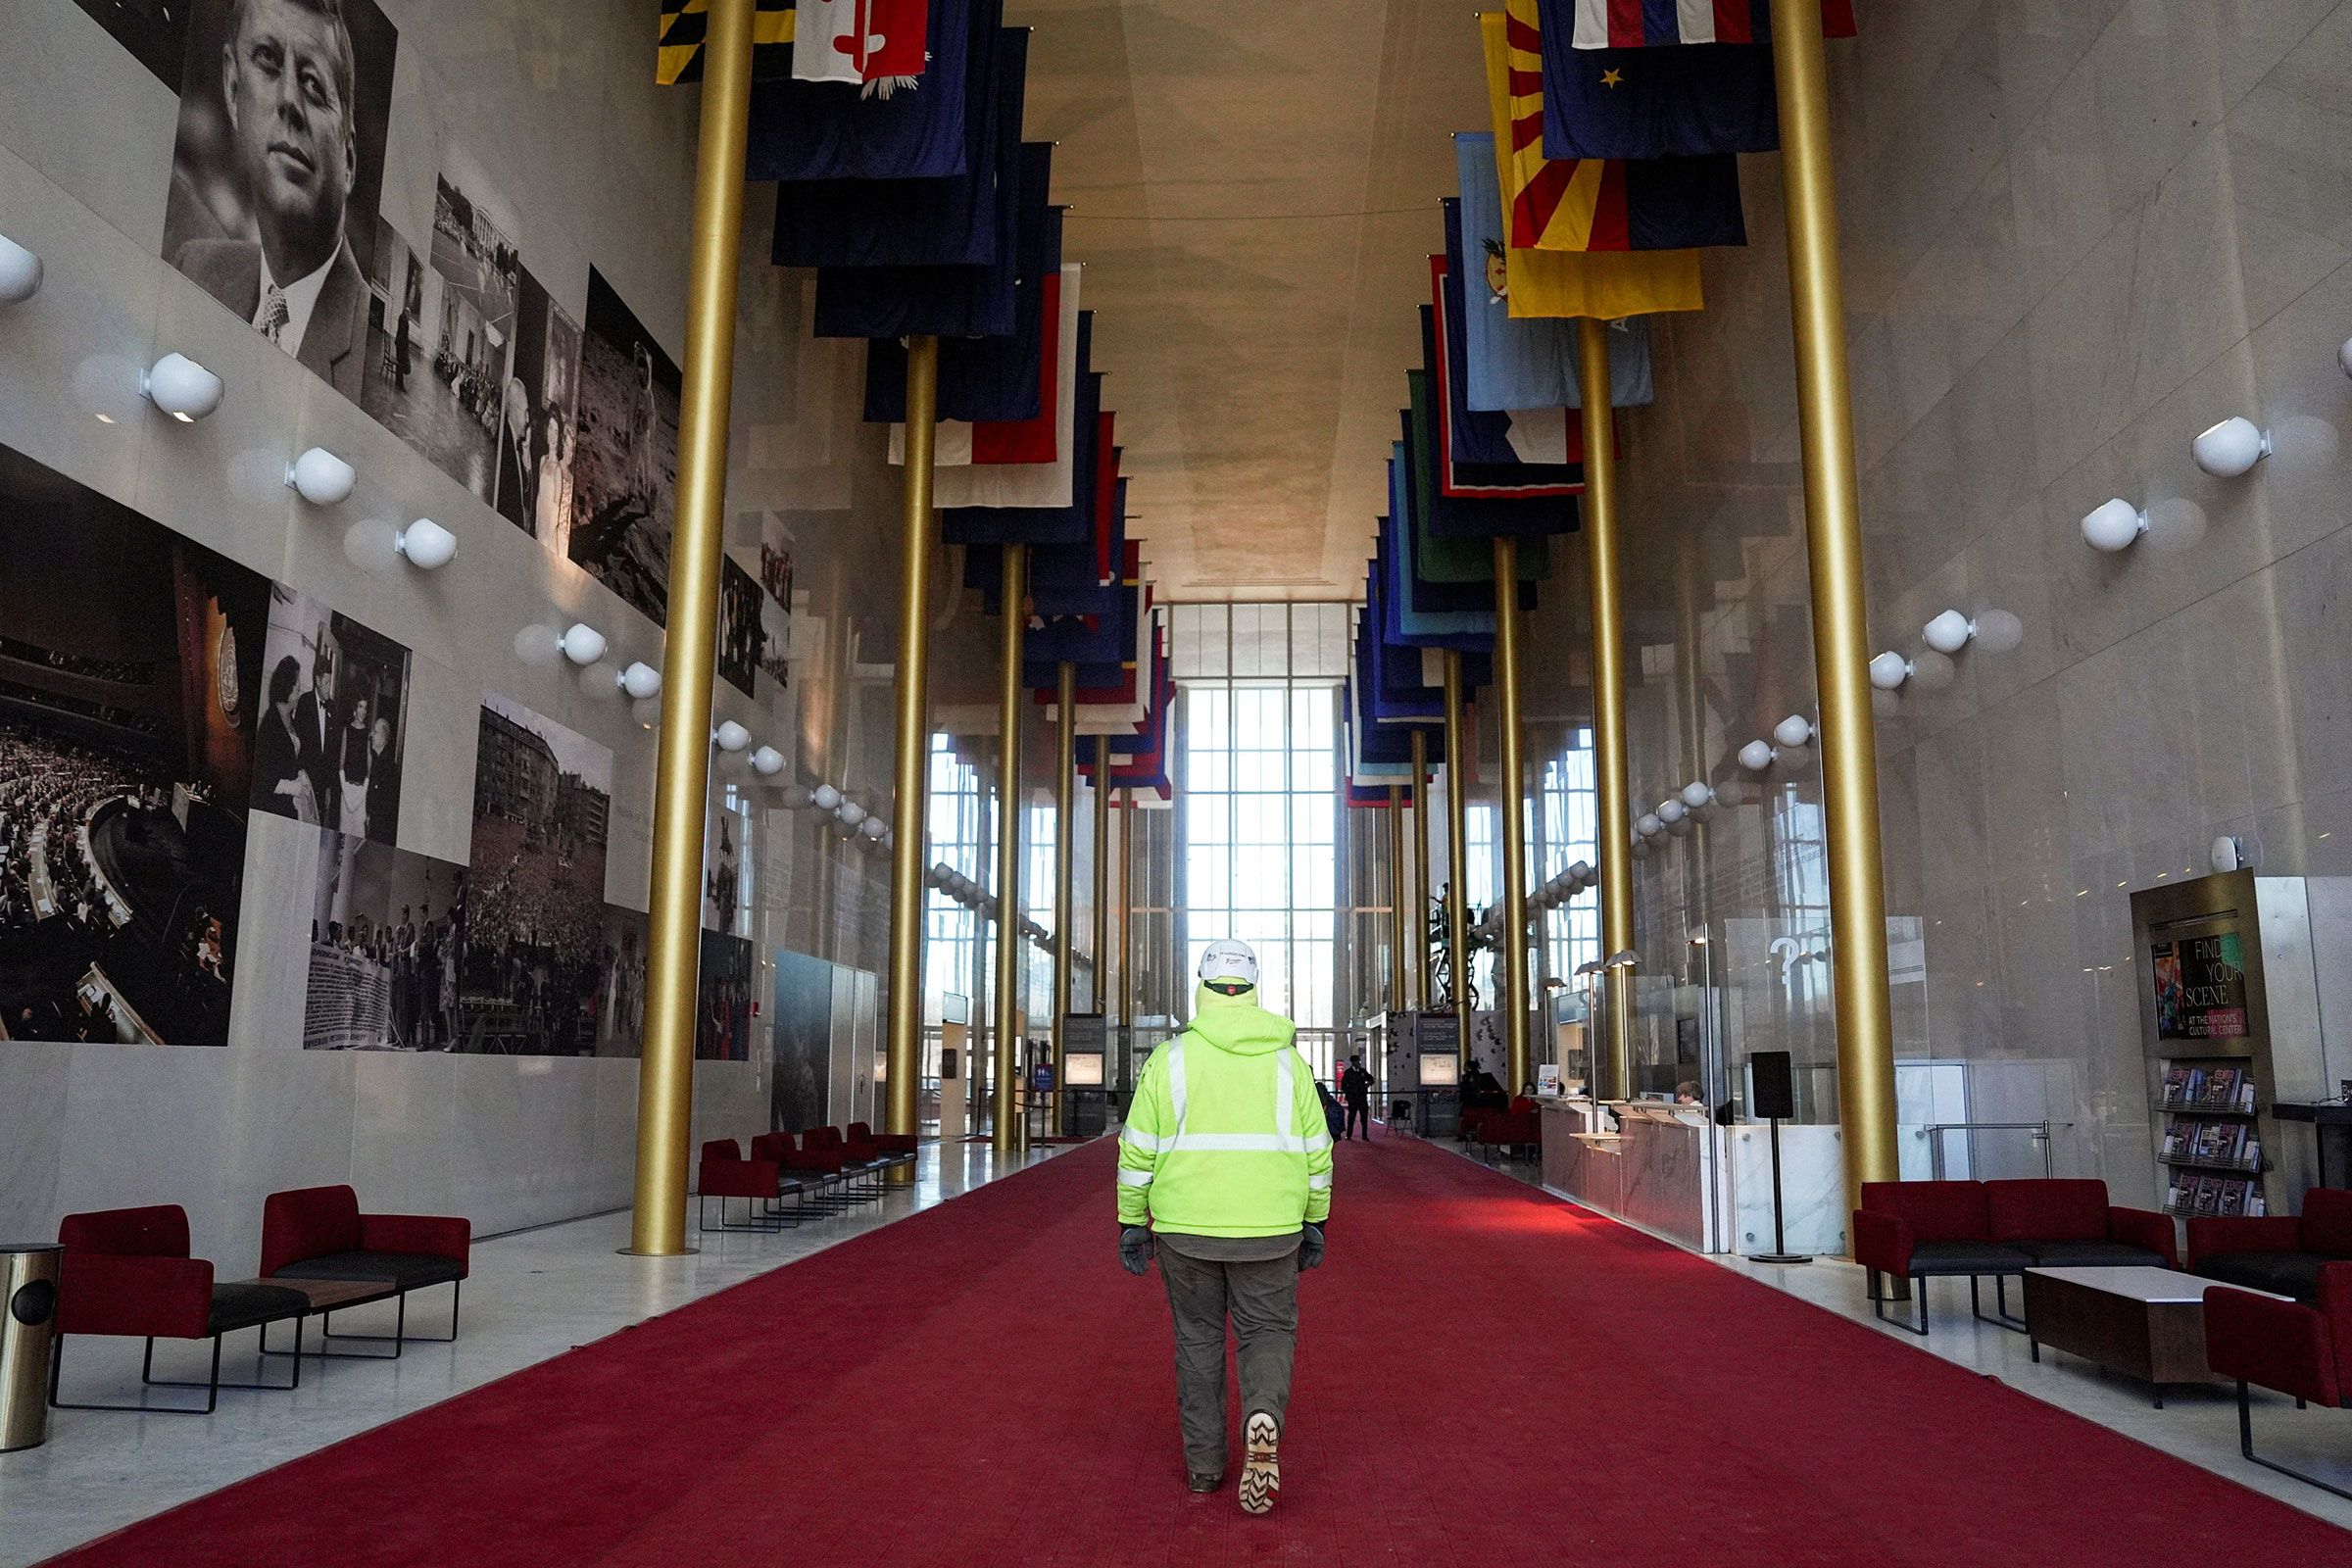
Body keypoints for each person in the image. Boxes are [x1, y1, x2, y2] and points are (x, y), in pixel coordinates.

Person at [1117, 939, 1331, 1515]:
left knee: (1198, 1340)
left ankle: (1205, 1467)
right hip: (1270, 1228)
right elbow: (1318, 1150)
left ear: (1203, 986)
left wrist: (1132, 1223)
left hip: (1186, 1228)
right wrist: (1315, 1220)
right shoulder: (1289, 1062)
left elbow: (1136, 1151)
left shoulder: (1170, 1059)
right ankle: (1262, 1413)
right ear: (1254, 985)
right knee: (1266, 1332)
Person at [174, 0, 370, 401]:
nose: (289, 101)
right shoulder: (194, 268)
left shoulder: (370, 353)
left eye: (314, 85)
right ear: (233, 92)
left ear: (348, 161)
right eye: (268, 61)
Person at [1339, 1053, 1373, 1142]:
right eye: (1358, 1061)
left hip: (1362, 1098)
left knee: (1364, 1118)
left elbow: (1371, 1079)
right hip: (1353, 1099)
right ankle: (1348, 1135)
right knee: (1351, 1118)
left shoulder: (1362, 1071)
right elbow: (1343, 1085)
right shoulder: (1348, 1073)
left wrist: (1367, 1084)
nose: (1359, 1063)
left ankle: (1364, 1136)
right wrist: (1349, 1093)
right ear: (1353, 1062)